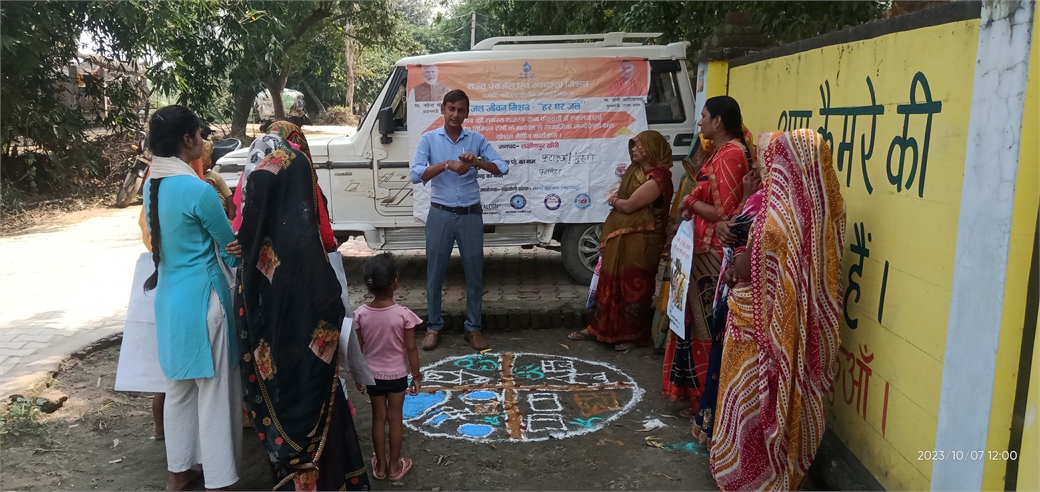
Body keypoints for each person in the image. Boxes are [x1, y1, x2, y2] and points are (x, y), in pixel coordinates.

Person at [710, 129, 845, 491]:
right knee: (783, 396)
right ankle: (782, 469)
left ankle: (752, 475)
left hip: (760, 327)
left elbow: (749, 267)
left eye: (768, 156)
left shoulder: (777, 215)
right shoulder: (823, 211)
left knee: (753, 402)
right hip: (789, 326)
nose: (762, 164)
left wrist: (738, 259)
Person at [235, 142, 370, 491]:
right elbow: (327, 303)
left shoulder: (251, 256)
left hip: (277, 379)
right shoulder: (301, 242)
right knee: (324, 436)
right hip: (309, 374)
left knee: (290, 432)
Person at [142, 105, 243, 491]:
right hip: (206, 304)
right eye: (200, 134)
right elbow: (231, 250)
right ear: (187, 140)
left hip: (170, 303)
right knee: (216, 394)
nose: (203, 141)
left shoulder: (153, 186)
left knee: (180, 391)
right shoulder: (199, 190)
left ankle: (179, 471)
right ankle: (220, 478)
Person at [663, 96, 752, 429]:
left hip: (713, 254)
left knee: (706, 328)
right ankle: (700, 398)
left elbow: (724, 213)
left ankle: (707, 402)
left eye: (703, 116)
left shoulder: (732, 155)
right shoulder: (720, 152)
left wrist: (689, 201)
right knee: (695, 324)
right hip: (698, 250)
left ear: (718, 121)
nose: (699, 122)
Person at [409, 90, 508, 351]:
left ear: (467, 113)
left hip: (470, 215)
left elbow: (502, 167)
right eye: (451, 108)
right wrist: (446, 164)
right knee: (435, 274)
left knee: (474, 274)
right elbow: (416, 174)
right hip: (440, 214)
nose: (455, 114)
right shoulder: (429, 139)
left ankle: (473, 328)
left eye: (461, 110)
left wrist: (477, 161)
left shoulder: (476, 139)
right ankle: (433, 327)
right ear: (442, 109)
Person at [568, 130, 673, 351]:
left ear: (652, 149)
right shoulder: (635, 172)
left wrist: (613, 199)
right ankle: (598, 328)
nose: (634, 150)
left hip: (642, 242)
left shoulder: (658, 178)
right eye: (633, 145)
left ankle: (633, 335)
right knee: (610, 282)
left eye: (639, 146)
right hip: (622, 238)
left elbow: (629, 206)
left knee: (634, 287)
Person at [352, 253, 422, 482]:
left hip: (372, 377)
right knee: (395, 419)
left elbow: (359, 348)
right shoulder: (404, 316)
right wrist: (416, 375)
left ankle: (380, 467)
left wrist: (359, 375)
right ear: (395, 282)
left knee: (378, 419)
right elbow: (411, 349)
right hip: (397, 376)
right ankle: (394, 467)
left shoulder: (360, 315)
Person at [200, 140, 235, 220]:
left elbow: (228, 195)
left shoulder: (214, 176)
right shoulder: (191, 177)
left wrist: (231, 216)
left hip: (222, 212)